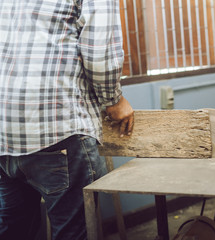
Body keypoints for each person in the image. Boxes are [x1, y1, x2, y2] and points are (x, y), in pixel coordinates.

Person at [0, 0, 134, 239]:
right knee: (73, 233)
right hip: (57, 128)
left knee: (13, 230)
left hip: (4, 131)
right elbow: (99, 50)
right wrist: (113, 100)